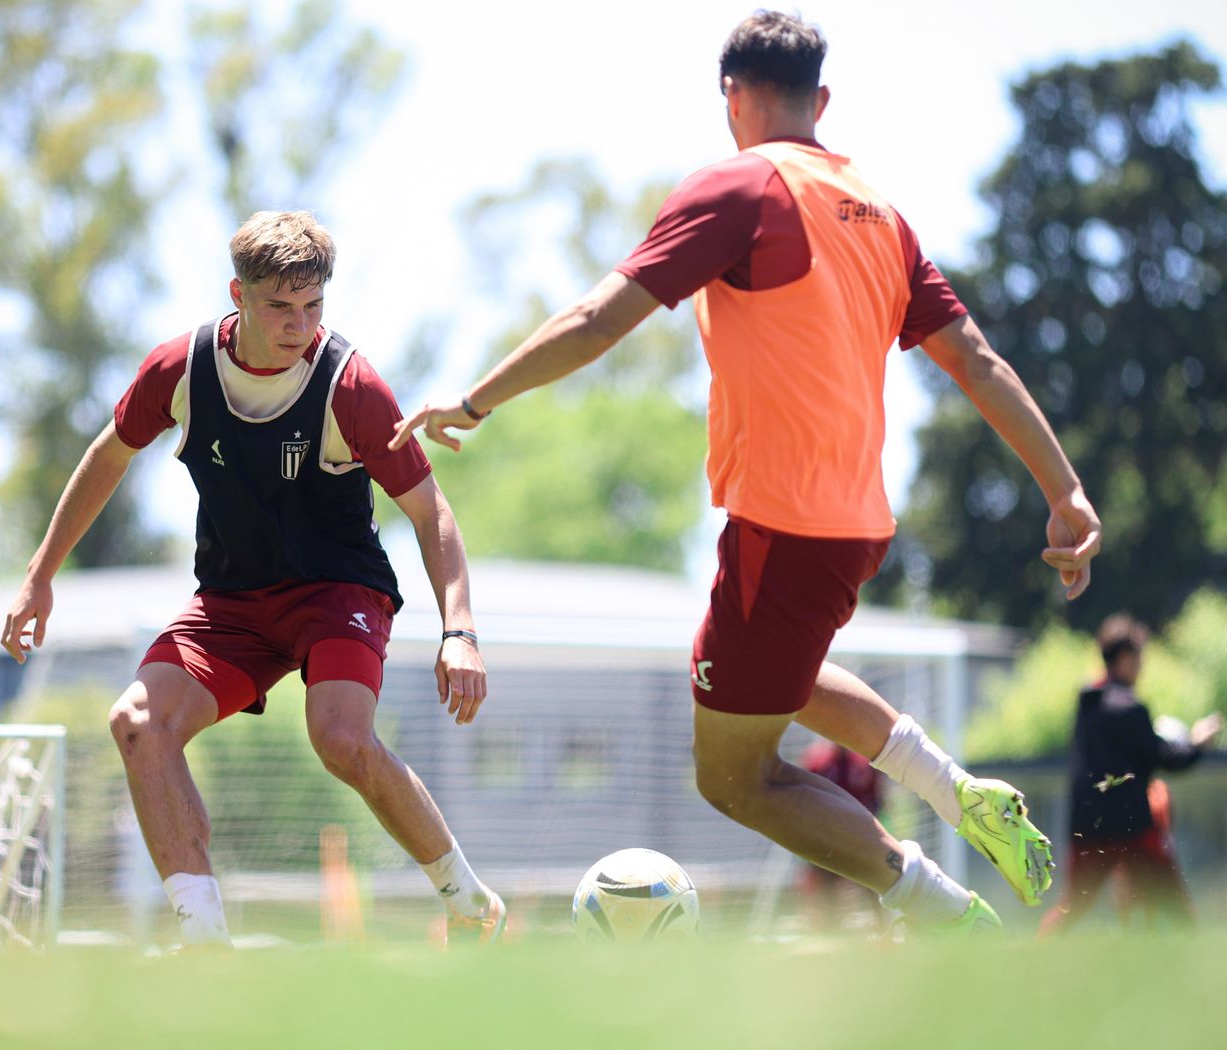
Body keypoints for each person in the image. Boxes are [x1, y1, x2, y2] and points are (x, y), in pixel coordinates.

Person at [393, 11, 1103, 932]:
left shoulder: (737, 188)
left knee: (736, 778)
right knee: (767, 670)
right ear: (824, 100)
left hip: (784, 523)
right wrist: (1065, 489)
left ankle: (946, 914)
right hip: (854, 525)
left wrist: (475, 400)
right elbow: (977, 361)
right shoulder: (883, 214)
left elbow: (600, 318)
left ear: (732, 96)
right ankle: (957, 789)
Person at [1, 211, 505, 947]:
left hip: (337, 592)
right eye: (280, 306)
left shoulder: (352, 386)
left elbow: (432, 514)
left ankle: (470, 904)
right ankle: (204, 945)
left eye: (314, 306)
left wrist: (459, 631)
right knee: (137, 724)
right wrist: (39, 575)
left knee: (340, 739)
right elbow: (108, 456)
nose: (300, 324)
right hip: (231, 603)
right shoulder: (180, 370)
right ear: (237, 294)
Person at [1039, 614, 1222, 934]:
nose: (1142, 667)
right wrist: (1196, 743)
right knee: (1176, 906)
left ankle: (1038, 950)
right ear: (1125, 658)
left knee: (1073, 905)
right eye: (1139, 658)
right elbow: (1165, 758)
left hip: (1087, 825)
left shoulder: (1088, 702)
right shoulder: (1130, 707)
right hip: (1130, 829)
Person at [795, 741, 884, 933]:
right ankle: (829, 934)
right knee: (827, 893)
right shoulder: (817, 760)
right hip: (827, 841)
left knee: (876, 885)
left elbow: (877, 799)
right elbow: (805, 799)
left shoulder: (864, 762)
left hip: (861, 839)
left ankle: (885, 930)